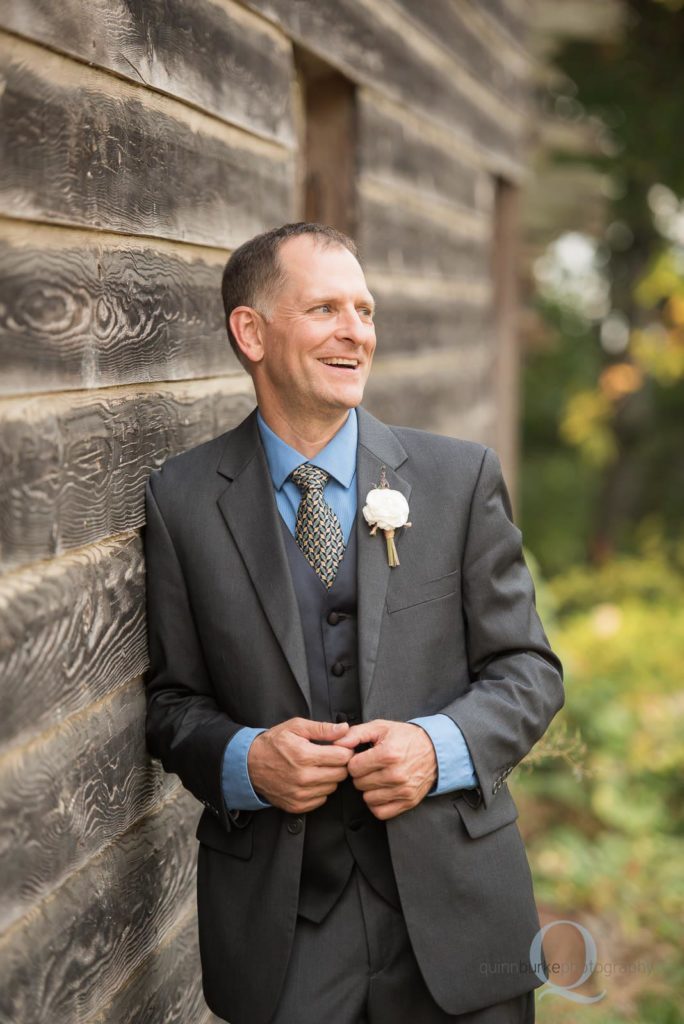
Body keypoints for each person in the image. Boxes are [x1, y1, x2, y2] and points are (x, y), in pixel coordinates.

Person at [143, 222, 564, 1024]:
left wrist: (436, 749)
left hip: (459, 916)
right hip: (284, 932)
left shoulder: (457, 478)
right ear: (251, 332)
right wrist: (244, 761)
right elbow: (171, 701)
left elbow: (529, 672)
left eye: (365, 311)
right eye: (327, 308)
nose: (356, 333)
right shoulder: (183, 500)